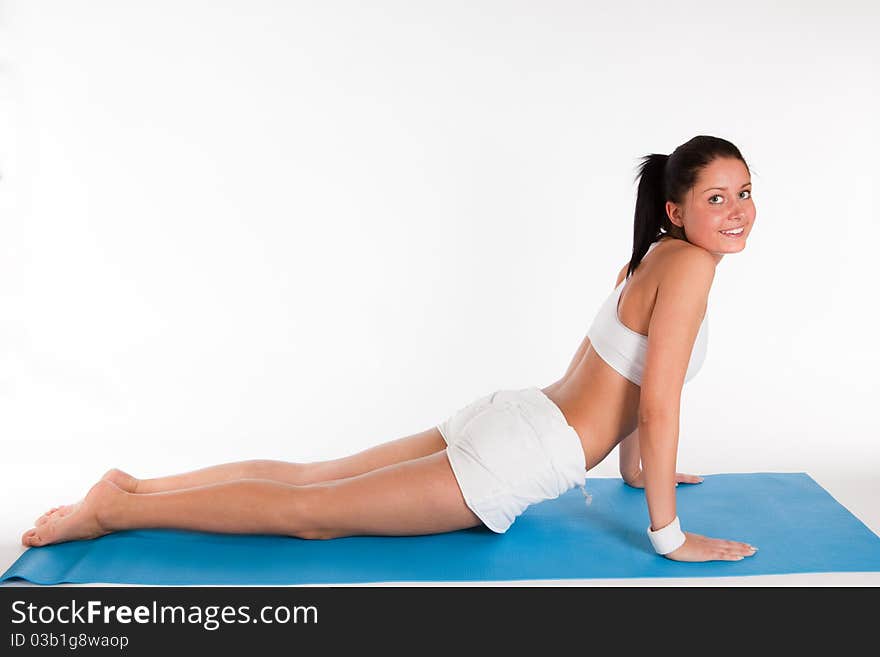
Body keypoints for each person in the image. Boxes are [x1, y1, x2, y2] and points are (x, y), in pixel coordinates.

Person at [21, 135, 758, 563]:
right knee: (312, 513)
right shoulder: (691, 268)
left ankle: (136, 489)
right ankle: (116, 511)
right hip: (517, 455)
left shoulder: (655, 256)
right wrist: (668, 535)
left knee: (312, 478)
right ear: (677, 208)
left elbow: (628, 379)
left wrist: (636, 474)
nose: (736, 210)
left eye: (744, 191)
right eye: (716, 197)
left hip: (516, 415)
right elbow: (655, 406)